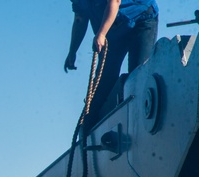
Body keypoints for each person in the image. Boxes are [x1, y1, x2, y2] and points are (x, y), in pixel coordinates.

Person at [65, 0, 159, 129]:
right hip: (114, 29)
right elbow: (80, 19)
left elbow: (114, 2)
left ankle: (138, 123)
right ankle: (87, 130)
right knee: (104, 80)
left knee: (137, 76)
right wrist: (72, 51)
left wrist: (101, 34)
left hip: (141, 19)